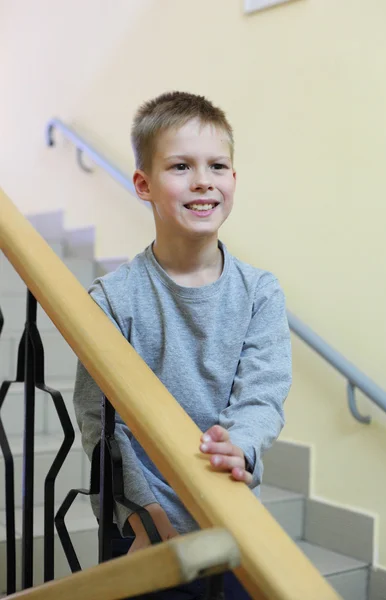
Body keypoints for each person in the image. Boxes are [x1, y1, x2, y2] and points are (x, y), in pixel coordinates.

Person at [73, 91, 292, 599]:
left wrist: (241, 446)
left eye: (217, 165)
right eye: (180, 166)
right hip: (145, 526)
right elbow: (99, 422)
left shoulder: (260, 292)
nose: (203, 180)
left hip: (229, 514)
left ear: (233, 180)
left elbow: (262, 396)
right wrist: (143, 513)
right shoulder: (111, 298)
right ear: (144, 185)